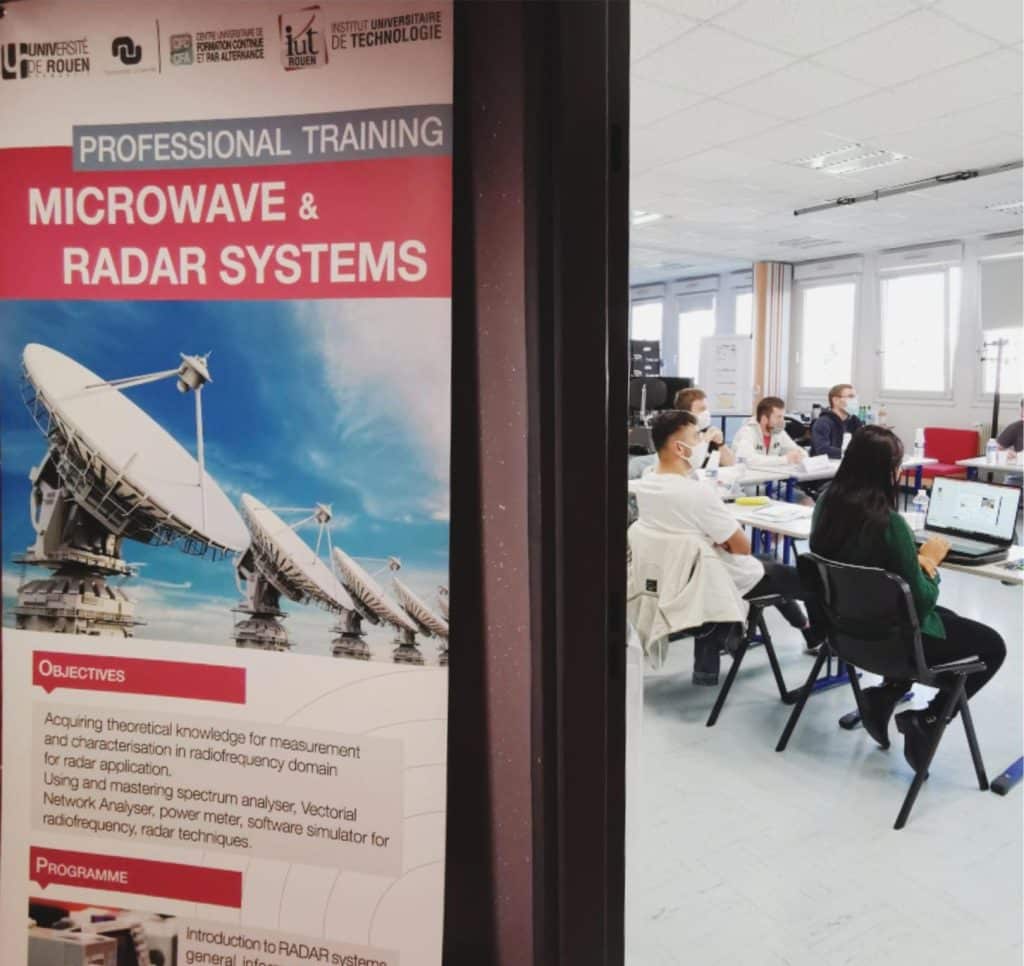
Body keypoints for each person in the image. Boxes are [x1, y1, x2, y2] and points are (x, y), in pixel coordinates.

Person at [810, 425, 1006, 772]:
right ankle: (928, 719)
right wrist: (928, 563)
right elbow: (921, 601)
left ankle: (883, 695)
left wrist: (907, 562)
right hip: (892, 643)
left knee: (949, 619)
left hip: (844, 634)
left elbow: (864, 565)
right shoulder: (890, 524)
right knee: (991, 646)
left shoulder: (826, 503)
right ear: (889, 471)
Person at [636, 410, 825, 683]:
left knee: (770, 560)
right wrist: (718, 538)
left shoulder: (647, 480)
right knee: (814, 580)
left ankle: (806, 629)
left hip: (678, 576)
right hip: (718, 578)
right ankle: (821, 637)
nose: (703, 442)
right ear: (680, 448)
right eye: (697, 437)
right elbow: (741, 547)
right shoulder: (697, 493)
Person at [732, 396, 806, 469]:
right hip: (746, 475)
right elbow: (748, 460)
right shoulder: (747, 431)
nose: (782, 421)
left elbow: (798, 451)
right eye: (778, 417)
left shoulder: (778, 432)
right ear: (764, 419)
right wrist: (784, 459)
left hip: (768, 475)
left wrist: (800, 455)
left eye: (783, 417)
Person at [674, 387, 736, 467]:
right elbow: (690, 467)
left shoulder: (706, 431)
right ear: (686, 413)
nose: (706, 413)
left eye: (707, 409)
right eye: (702, 409)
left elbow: (730, 464)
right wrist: (704, 441)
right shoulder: (676, 437)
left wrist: (720, 443)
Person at [811, 383, 863, 458]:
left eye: (855, 397)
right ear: (835, 400)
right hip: (827, 464)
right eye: (851, 396)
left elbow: (863, 445)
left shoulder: (855, 421)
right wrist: (852, 453)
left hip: (848, 462)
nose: (855, 401)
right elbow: (822, 450)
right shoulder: (823, 423)